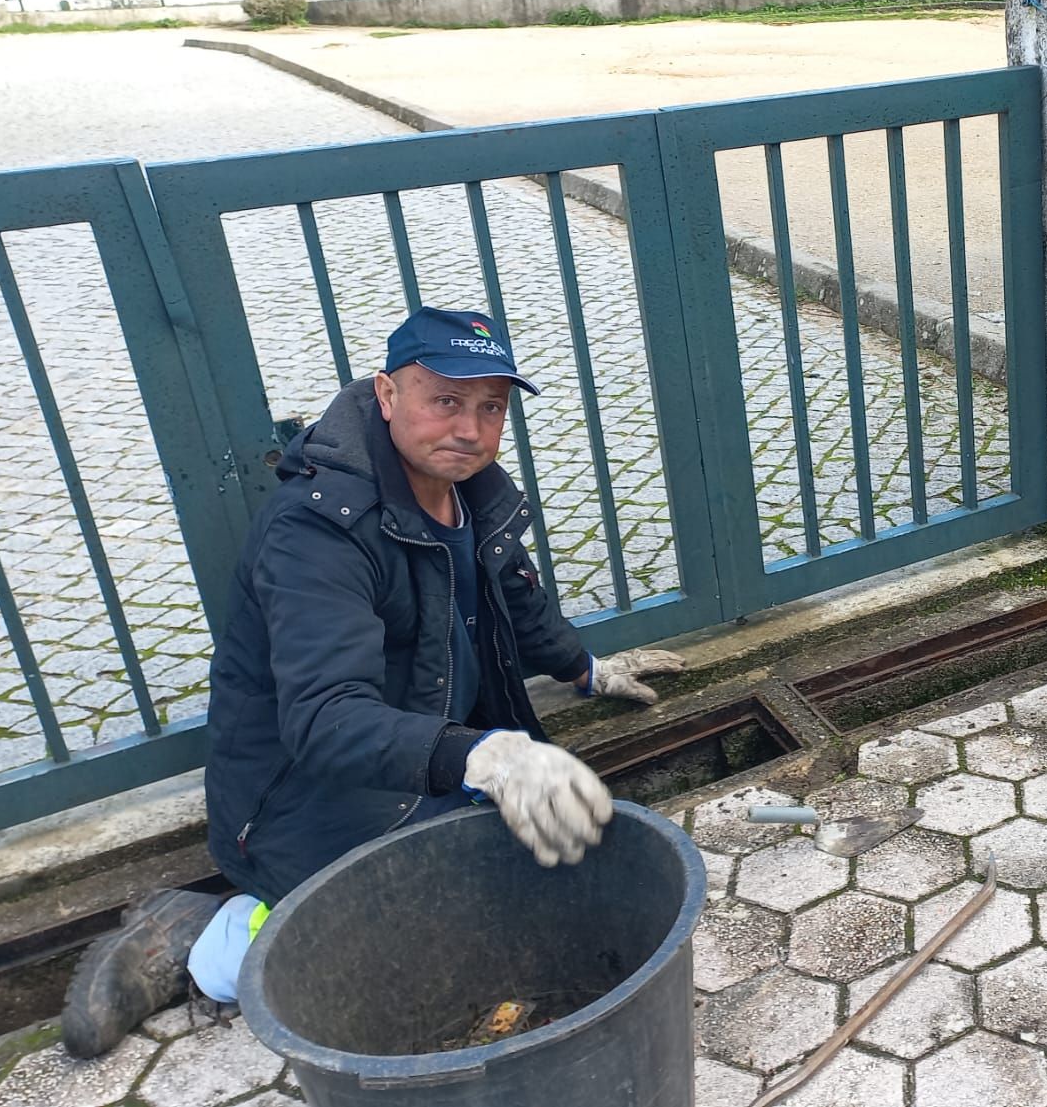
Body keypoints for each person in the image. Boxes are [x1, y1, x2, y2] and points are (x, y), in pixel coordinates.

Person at [60, 308, 685, 1057]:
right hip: (309, 794)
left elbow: (515, 595)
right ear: (387, 394)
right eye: (445, 400)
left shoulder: (473, 489)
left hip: (427, 761)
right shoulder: (316, 529)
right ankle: (209, 937)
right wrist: (484, 756)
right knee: (405, 957)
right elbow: (326, 717)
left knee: (561, 877)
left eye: (491, 408)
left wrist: (587, 669)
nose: (470, 429)